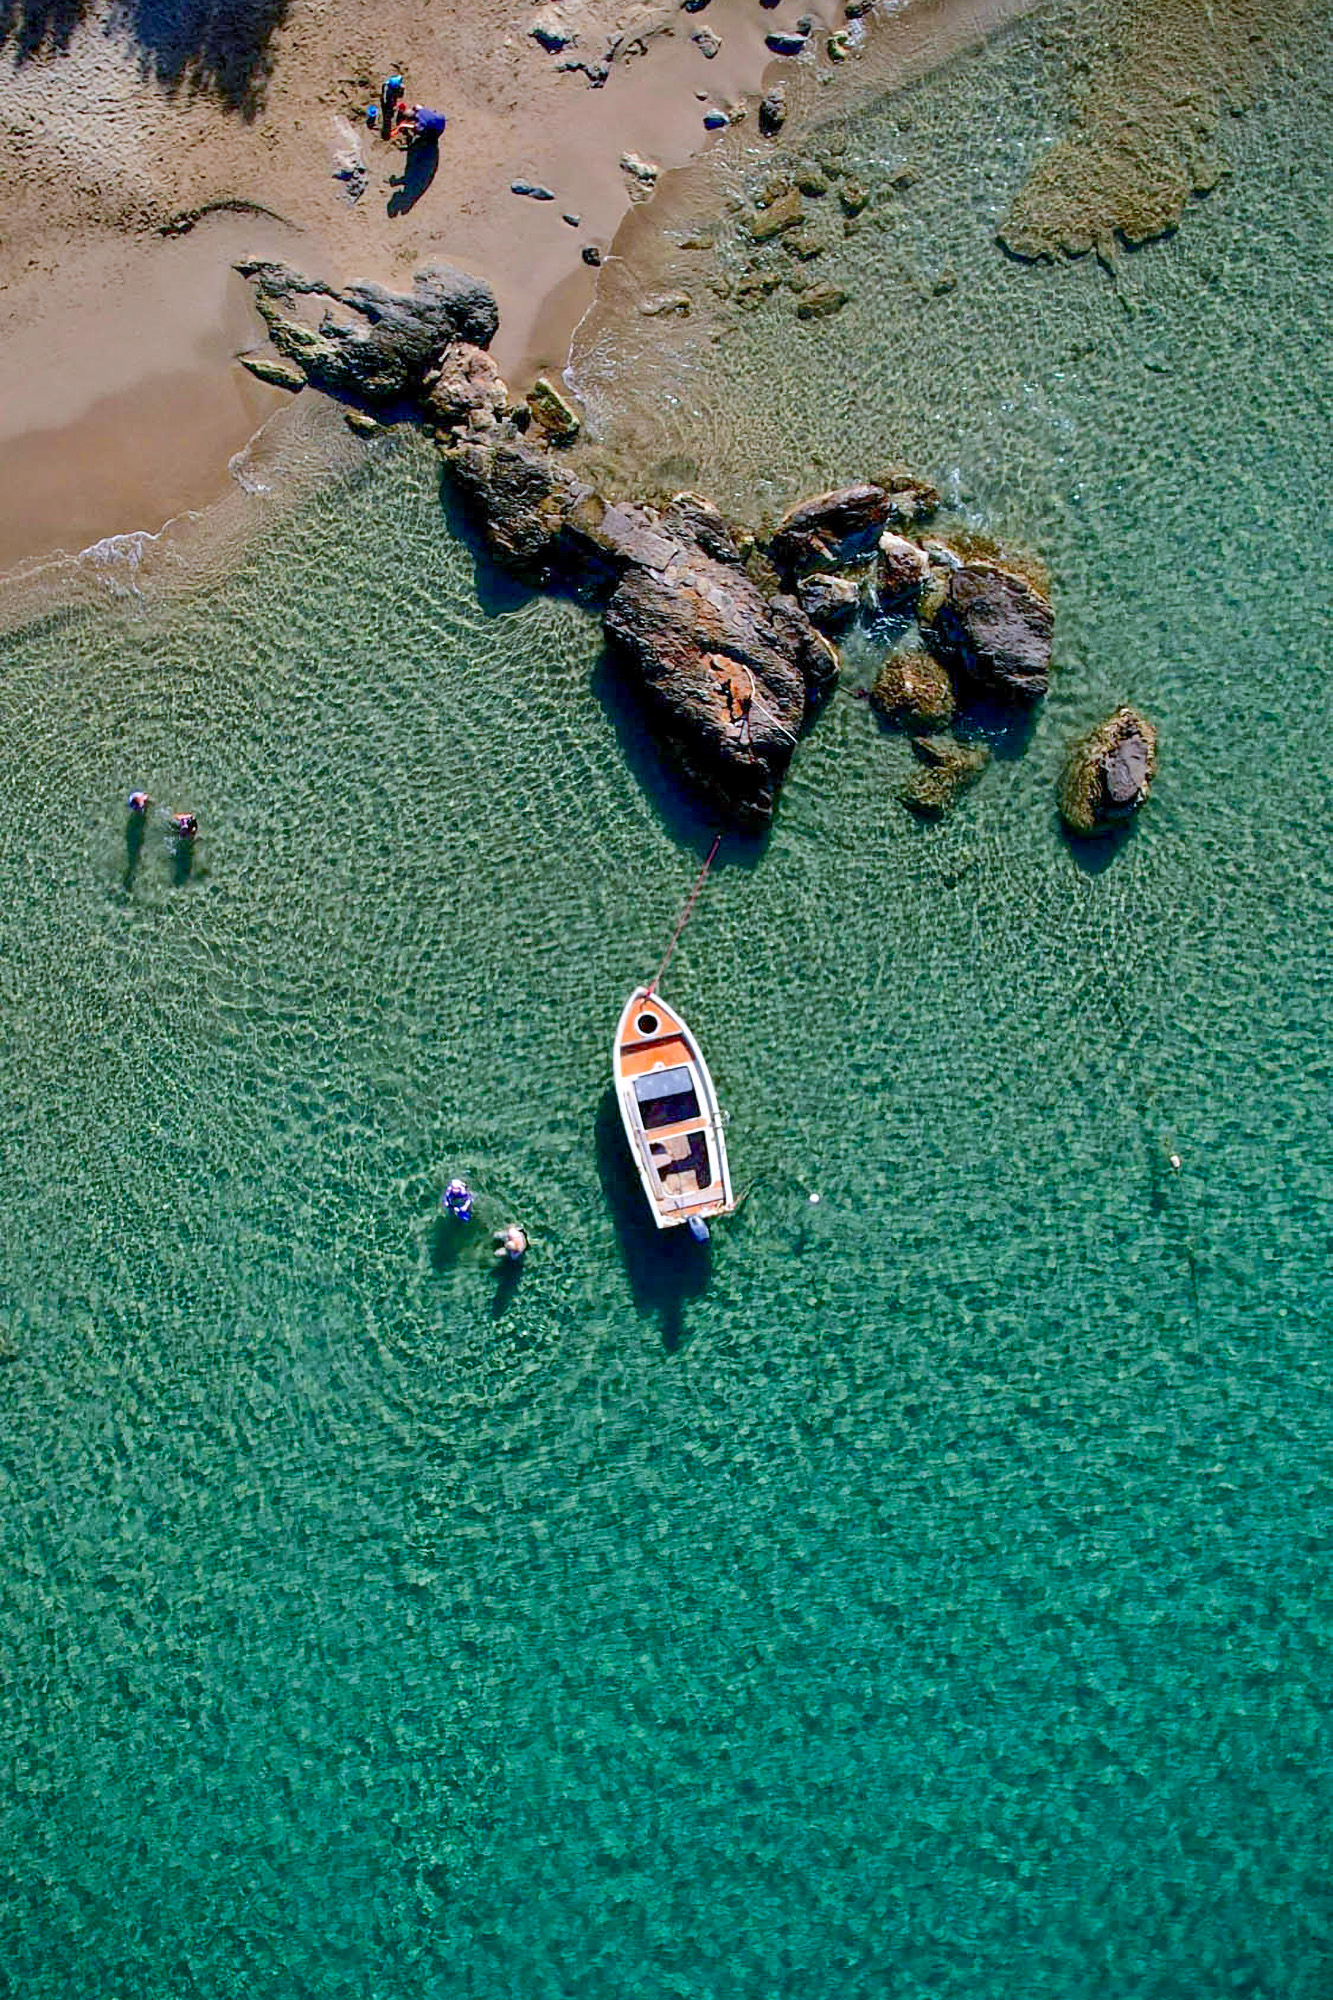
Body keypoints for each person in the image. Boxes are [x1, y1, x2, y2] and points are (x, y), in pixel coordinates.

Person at [379, 72, 404, 140]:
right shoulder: (388, 94)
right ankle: (386, 134)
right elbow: (386, 102)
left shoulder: (388, 82)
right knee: (387, 119)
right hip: (387, 105)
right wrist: (393, 107)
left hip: (390, 98)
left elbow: (400, 77)